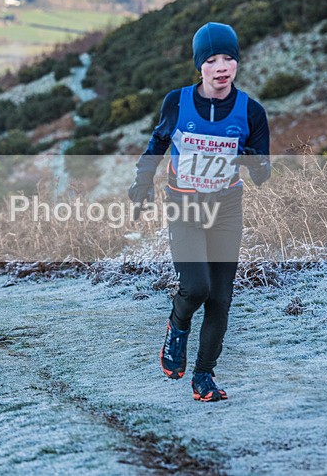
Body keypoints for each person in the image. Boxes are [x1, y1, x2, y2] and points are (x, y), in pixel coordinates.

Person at [128, 22, 270, 401]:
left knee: (221, 298)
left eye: (229, 58)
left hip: (226, 210)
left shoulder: (251, 111)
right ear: (199, 66)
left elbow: (263, 175)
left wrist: (253, 160)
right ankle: (177, 327)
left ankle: (203, 376)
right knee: (196, 288)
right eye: (212, 59)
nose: (222, 66)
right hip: (184, 207)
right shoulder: (177, 102)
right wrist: (142, 183)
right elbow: (157, 143)